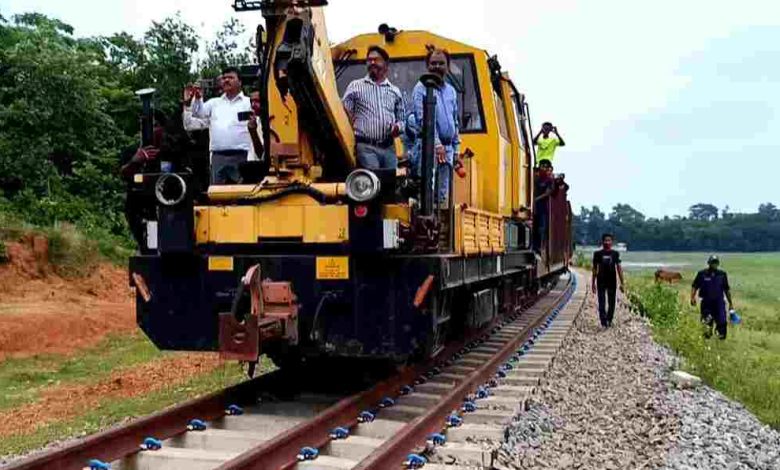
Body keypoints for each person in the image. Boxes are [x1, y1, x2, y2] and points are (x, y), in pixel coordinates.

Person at [183, 67, 261, 185]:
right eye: (224, 78)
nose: (226, 80)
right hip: (218, 156)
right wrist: (197, 99)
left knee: (243, 194)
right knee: (217, 194)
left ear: (240, 82)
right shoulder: (214, 103)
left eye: (230, 77)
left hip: (242, 156)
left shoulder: (249, 102)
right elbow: (198, 114)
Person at [342, 46, 405, 169]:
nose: (372, 63)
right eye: (369, 60)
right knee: (374, 182)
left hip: (389, 148)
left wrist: (398, 127)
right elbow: (343, 112)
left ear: (386, 64)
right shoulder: (355, 86)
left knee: (390, 184)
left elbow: (402, 120)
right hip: (366, 147)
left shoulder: (395, 91)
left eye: (376, 60)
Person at [412, 48, 460, 205]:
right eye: (433, 63)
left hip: (447, 150)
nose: (437, 67)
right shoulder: (421, 88)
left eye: (441, 63)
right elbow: (422, 120)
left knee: (442, 197)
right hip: (429, 149)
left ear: (447, 66)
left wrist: (456, 150)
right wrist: (437, 144)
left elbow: (455, 121)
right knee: (426, 195)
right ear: (427, 66)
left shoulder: (451, 91)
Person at [691, 255, 734, 340]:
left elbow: (726, 289)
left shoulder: (722, 275)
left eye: (716, 262)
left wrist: (730, 303)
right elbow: (695, 286)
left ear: (718, 264)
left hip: (719, 303)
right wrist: (692, 297)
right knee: (707, 321)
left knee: (722, 321)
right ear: (709, 263)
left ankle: (721, 339)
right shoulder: (702, 274)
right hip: (707, 303)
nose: (714, 264)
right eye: (712, 262)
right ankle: (706, 339)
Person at [591, 233, 625, 328]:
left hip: (612, 281)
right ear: (602, 242)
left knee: (611, 302)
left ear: (612, 242)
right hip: (601, 281)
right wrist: (593, 283)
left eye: (609, 240)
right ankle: (603, 322)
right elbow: (594, 269)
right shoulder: (597, 254)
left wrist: (622, 283)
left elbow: (619, 268)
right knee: (601, 302)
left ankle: (609, 319)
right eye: (605, 240)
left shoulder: (615, 254)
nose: (607, 242)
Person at [533, 159, 555, 252]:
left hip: (542, 207)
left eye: (546, 167)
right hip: (534, 206)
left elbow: (548, 192)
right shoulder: (536, 178)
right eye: (542, 166)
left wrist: (536, 199)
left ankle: (538, 247)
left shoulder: (549, 181)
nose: (544, 168)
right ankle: (533, 245)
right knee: (533, 226)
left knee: (541, 228)